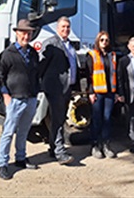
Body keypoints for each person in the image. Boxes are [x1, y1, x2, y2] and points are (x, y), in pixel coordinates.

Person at [0, 19, 40, 180]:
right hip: (14, 99)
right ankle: (2, 164)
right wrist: (5, 95)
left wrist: (36, 92)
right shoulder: (8, 54)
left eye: (29, 33)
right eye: (23, 33)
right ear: (16, 33)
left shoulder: (33, 53)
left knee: (24, 131)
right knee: (8, 132)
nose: (26, 36)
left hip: (30, 98)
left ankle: (20, 158)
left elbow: (36, 74)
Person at [38, 16, 78, 165]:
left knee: (59, 119)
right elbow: (41, 65)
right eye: (63, 27)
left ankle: (53, 147)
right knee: (58, 119)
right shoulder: (51, 43)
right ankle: (60, 152)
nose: (66, 29)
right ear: (57, 28)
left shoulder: (70, 45)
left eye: (68, 27)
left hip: (67, 88)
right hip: (55, 88)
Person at [86, 31, 123, 159]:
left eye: (106, 40)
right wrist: (91, 92)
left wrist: (117, 93)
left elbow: (116, 75)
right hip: (97, 93)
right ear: (97, 41)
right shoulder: (92, 55)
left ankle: (106, 145)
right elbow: (89, 75)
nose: (104, 42)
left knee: (107, 119)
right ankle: (95, 145)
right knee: (97, 119)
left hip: (109, 93)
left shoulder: (112, 55)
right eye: (102, 40)